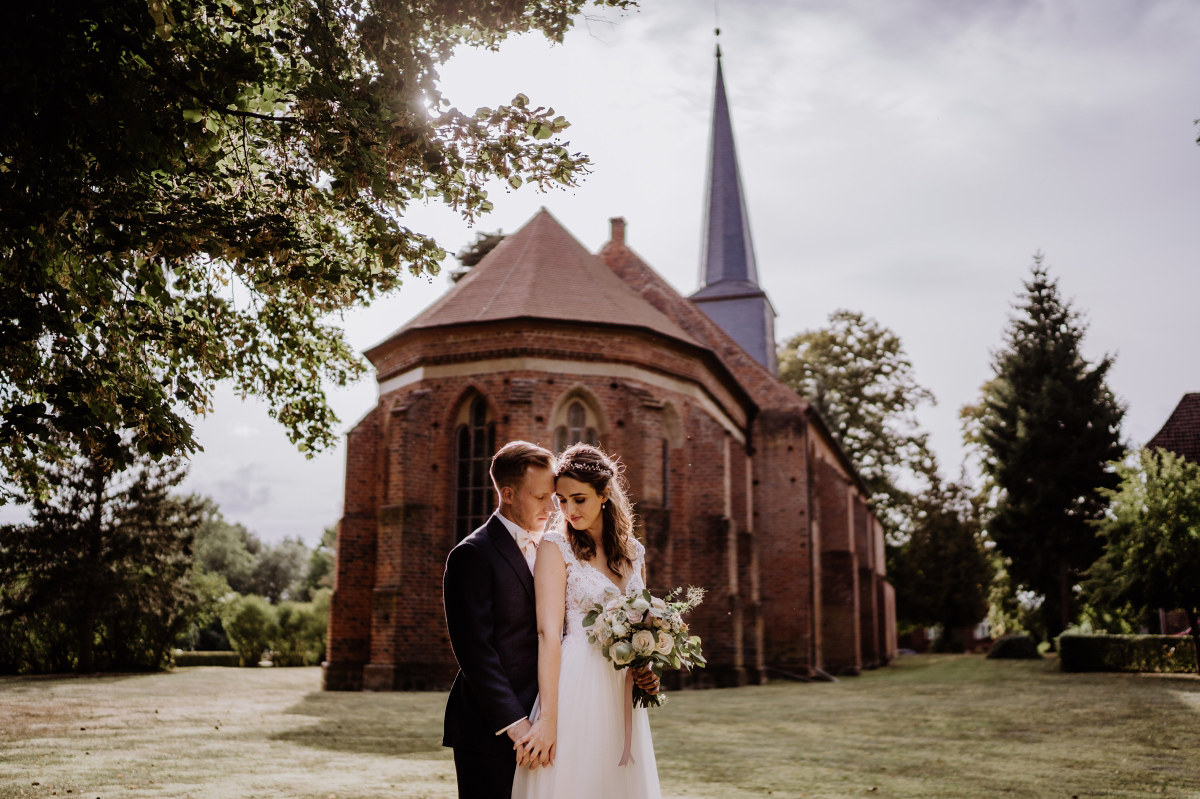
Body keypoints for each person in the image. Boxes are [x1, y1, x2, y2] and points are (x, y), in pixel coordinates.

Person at [511, 443, 663, 799]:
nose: (568, 510)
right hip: (575, 682)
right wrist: (548, 718)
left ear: (605, 494)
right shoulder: (555, 545)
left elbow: (638, 624)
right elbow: (548, 633)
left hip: (620, 688)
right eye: (561, 500)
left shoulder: (634, 551)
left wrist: (645, 667)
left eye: (579, 499)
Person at [442, 441, 557, 799]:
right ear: (507, 494)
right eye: (539, 497)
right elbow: (475, 650)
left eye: (552, 496)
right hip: (491, 727)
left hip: (548, 723)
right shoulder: (472, 554)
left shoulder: (558, 550)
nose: (551, 507)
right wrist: (515, 723)